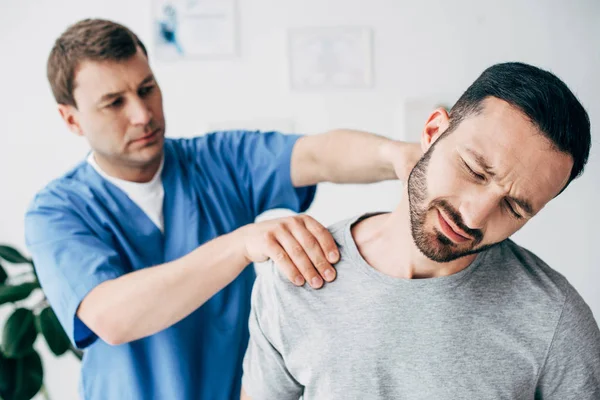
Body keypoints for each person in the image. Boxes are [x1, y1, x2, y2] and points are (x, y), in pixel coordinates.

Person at [23, 19, 419, 400]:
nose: (142, 114)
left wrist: (399, 156)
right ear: (71, 119)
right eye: (114, 103)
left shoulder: (216, 161)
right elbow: (110, 317)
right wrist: (240, 244)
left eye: (147, 89)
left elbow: (317, 155)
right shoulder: (57, 211)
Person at [241, 62, 600, 400]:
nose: (474, 218)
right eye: (474, 170)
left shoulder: (556, 319)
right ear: (433, 131)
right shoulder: (294, 277)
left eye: (513, 207)